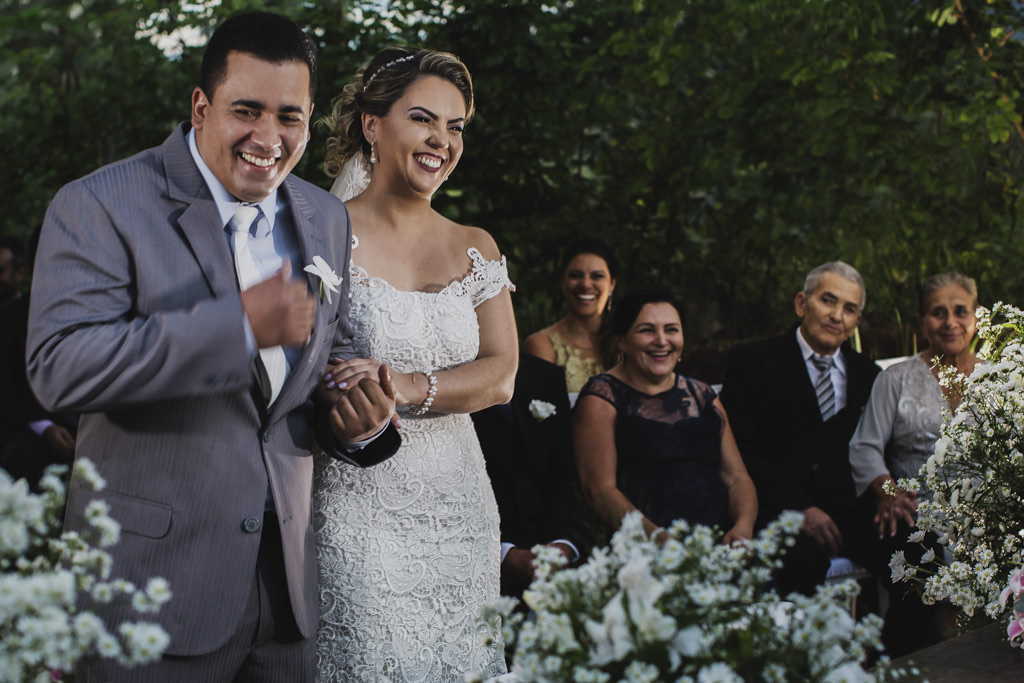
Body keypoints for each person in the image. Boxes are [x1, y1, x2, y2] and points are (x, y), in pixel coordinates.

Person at [26, 12, 399, 681]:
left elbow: (322, 359)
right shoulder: (100, 204)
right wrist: (239, 327)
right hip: (149, 591)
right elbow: (61, 368)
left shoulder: (325, 215)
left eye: (289, 117)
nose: (268, 138)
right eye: (246, 110)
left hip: (285, 597)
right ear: (202, 107)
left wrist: (358, 414)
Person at [314, 46, 517, 681]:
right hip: (358, 503)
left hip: (460, 508)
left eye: (456, 127)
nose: (442, 140)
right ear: (372, 125)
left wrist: (404, 385)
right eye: (423, 119)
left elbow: (502, 375)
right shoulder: (322, 232)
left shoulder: (475, 246)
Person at [719, 261, 880, 596]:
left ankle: (902, 633)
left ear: (856, 321)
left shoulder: (870, 375)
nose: (836, 316)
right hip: (779, 512)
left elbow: (881, 452)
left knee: (918, 548)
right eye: (828, 301)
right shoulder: (752, 363)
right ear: (801, 303)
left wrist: (890, 498)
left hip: (851, 515)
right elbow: (742, 451)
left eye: (849, 309)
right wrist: (798, 507)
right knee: (802, 561)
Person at [848, 271, 977, 655]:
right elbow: (864, 446)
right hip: (918, 515)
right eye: (938, 313)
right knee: (929, 562)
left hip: (986, 513)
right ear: (922, 323)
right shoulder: (896, 380)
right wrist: (887, 492)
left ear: (976, 316)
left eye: (960, 311)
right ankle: (946, 663)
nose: (950, 322)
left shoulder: (998, 378)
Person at [573, 288, 758, 543]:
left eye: (671, 330)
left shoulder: (702, 395)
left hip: (718, 543)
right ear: (621, 341)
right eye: (647, 330)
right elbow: (600, 491)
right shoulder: (602, 398)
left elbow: (737, 478)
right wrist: (661, 541)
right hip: (644, 547)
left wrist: (743, 529)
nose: (661, 341)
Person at [471, 351, 592, 598]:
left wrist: (565, 543)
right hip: (477, 561)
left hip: (553, 556)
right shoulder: (444, 382)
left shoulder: (546, 376)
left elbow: (565, 474)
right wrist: (503, 553)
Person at [0, 233, 76, 489]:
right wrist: (45, 427)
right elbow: (6, 388)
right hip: (32, 433)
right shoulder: (10, 318)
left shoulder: (99, 313)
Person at [524, 237, 617, 396]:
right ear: (563, 282)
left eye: (597, 276)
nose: (585, 284)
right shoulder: (542, 345)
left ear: (612, 284)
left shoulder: (625, 341)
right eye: (575, 275)